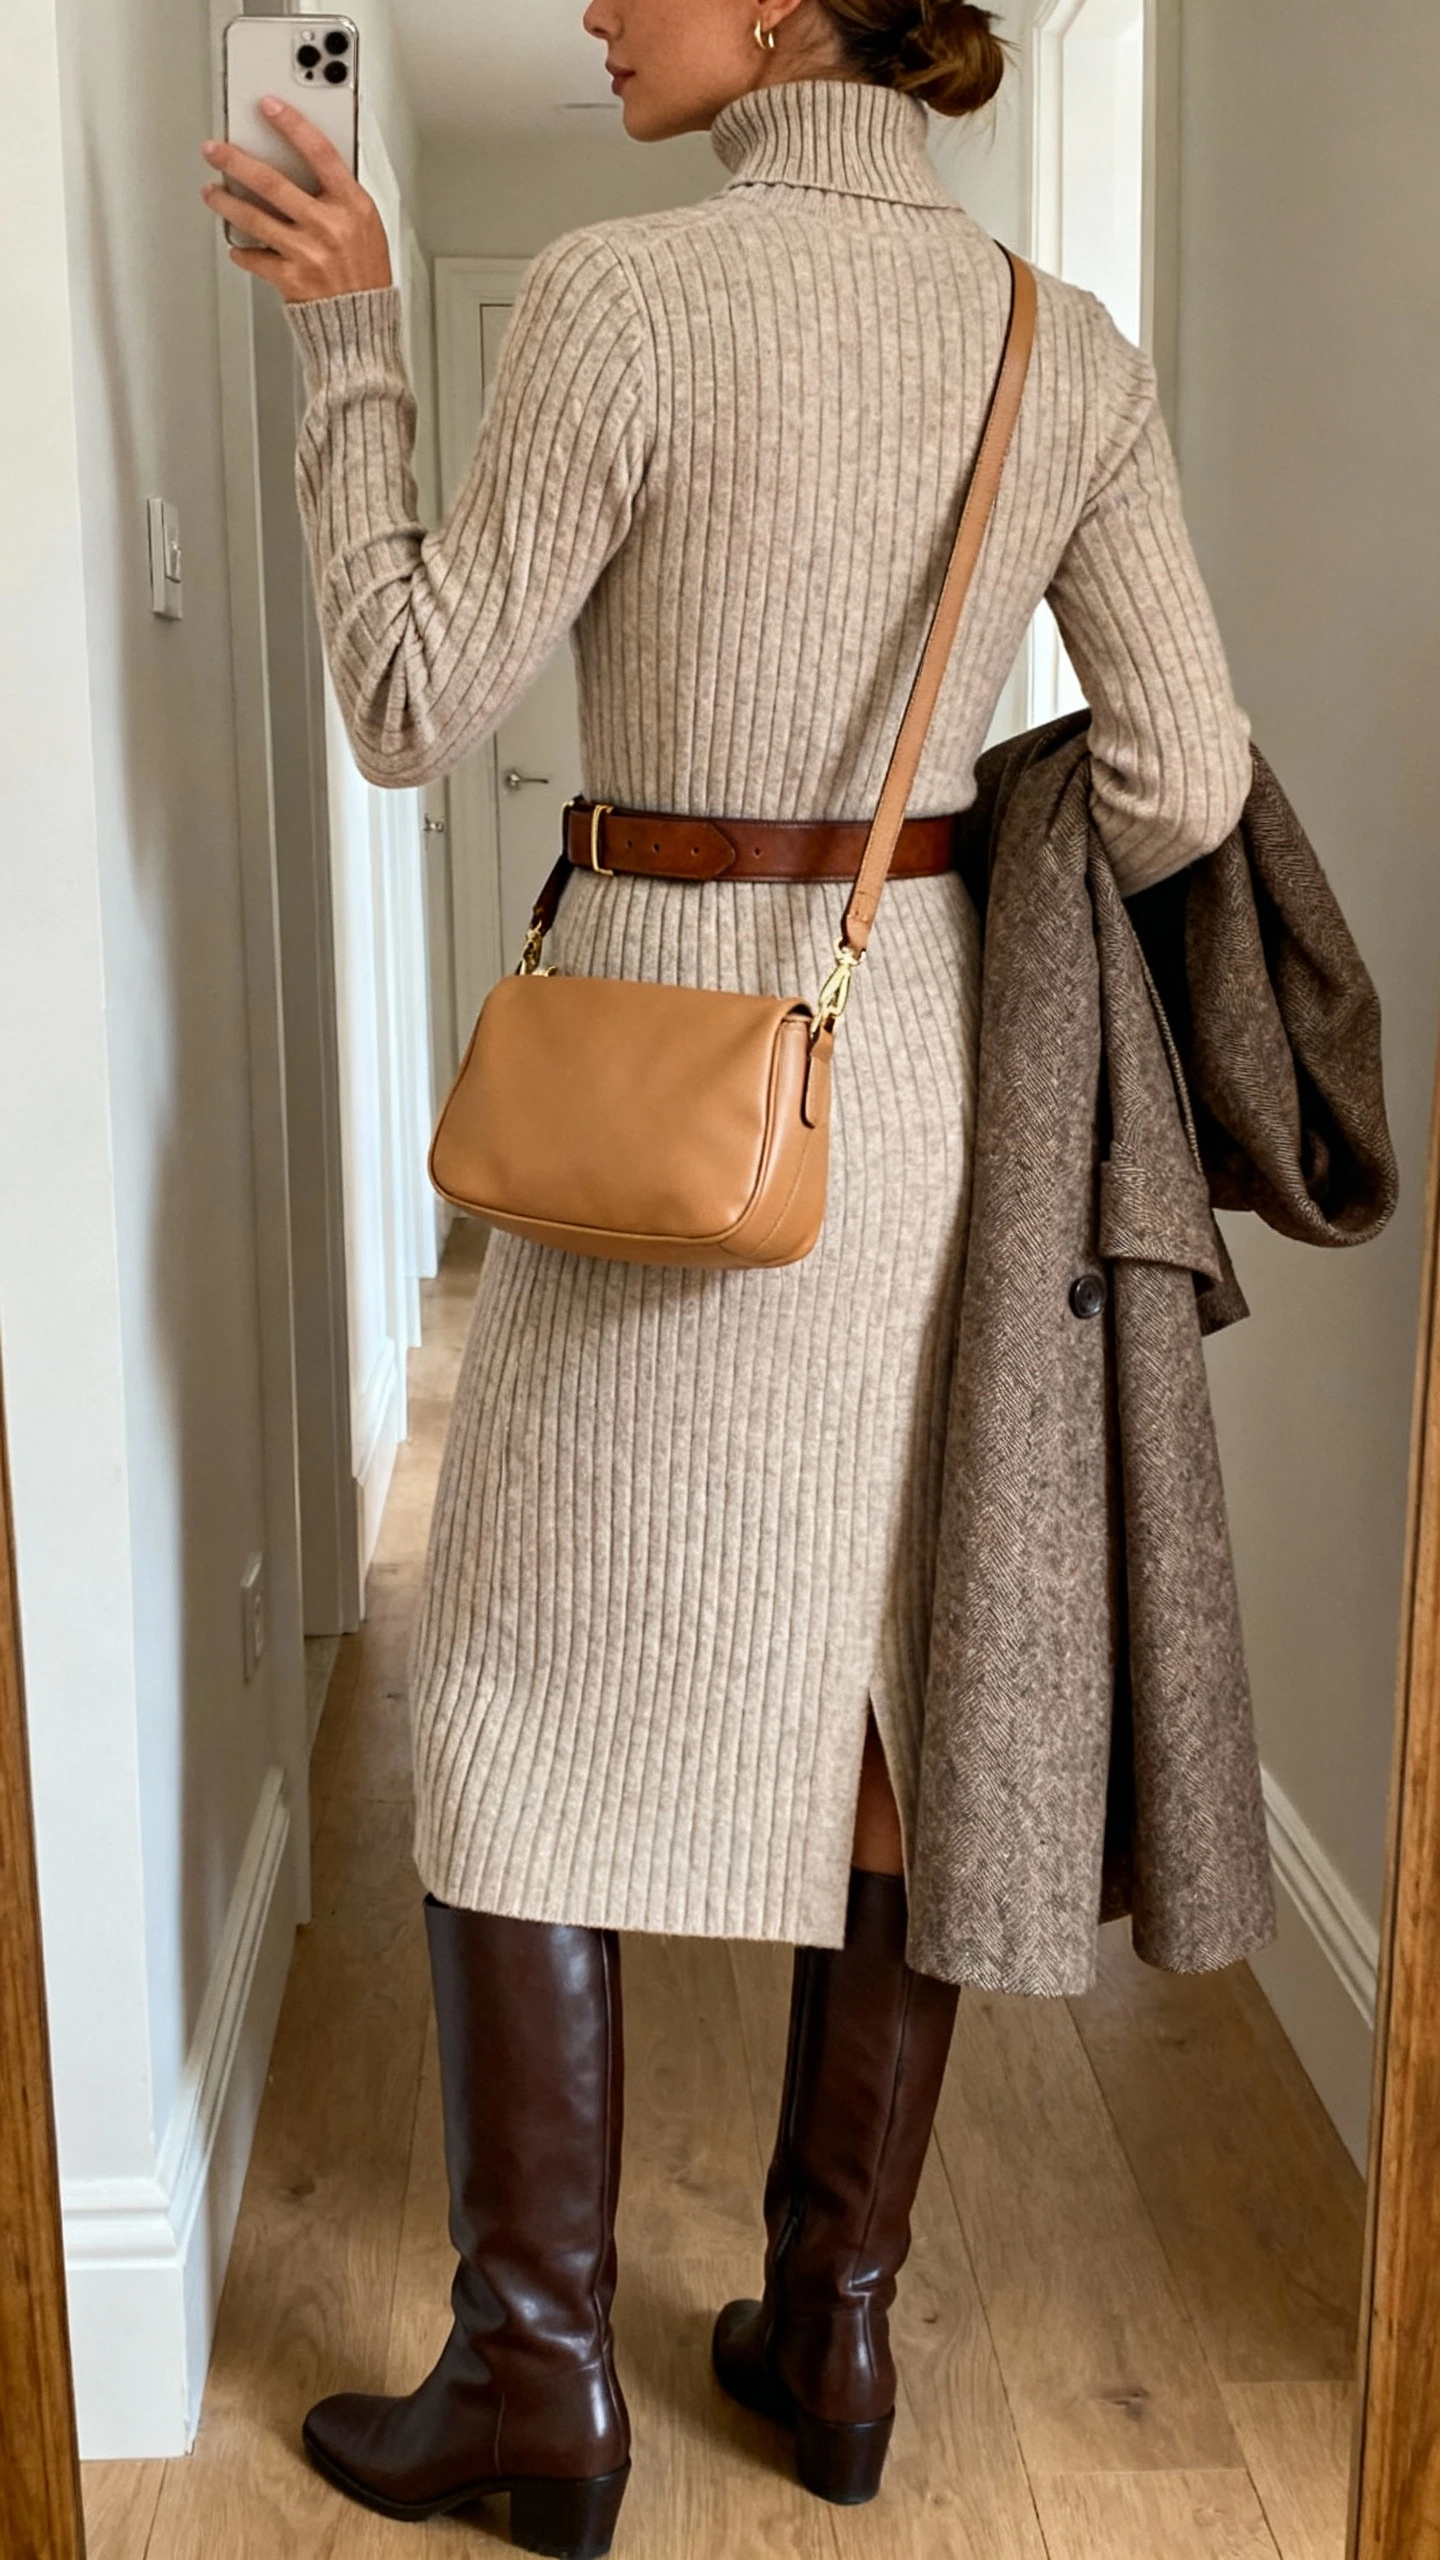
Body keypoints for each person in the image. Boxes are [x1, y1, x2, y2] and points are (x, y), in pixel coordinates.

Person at [202, 3, 1251, 2552]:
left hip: (649, 1110)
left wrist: (349, 343)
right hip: (907, 1113)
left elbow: (409, 695)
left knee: (509, 1710)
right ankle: (838, 2331)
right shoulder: (1056, 348)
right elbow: (1181, 777)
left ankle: (538, 2375)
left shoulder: (619, 297)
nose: (589, 5)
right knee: (884, 1701)